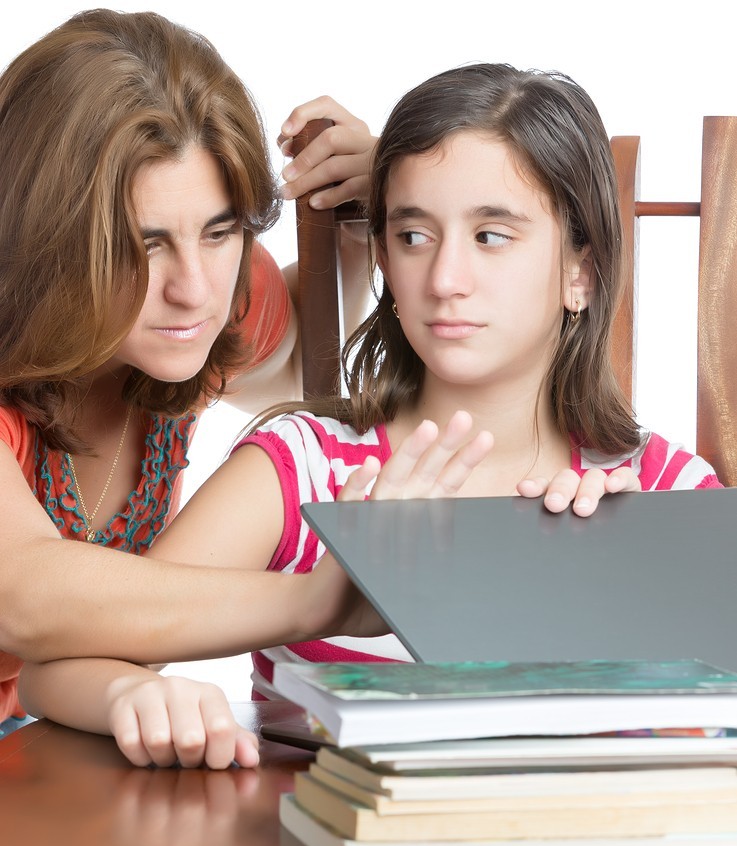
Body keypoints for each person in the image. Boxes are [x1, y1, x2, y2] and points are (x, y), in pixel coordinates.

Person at [22, 62, 719, 768]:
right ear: (383, 253)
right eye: (414, 236)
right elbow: (56, 667)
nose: (444, 281)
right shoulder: (300, 469)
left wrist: (643, 576)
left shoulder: (665, 493)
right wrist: (127, 693)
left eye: (490, 236)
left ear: (582, 272)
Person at [0, 7, 387, 758]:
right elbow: (22, 593)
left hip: (45, 753)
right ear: (45, 244)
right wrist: (318, 600)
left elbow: (294, 353)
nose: (195, 292)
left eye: (220, 230)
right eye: (142, 245)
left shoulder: (207, 301)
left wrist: (377, 204)